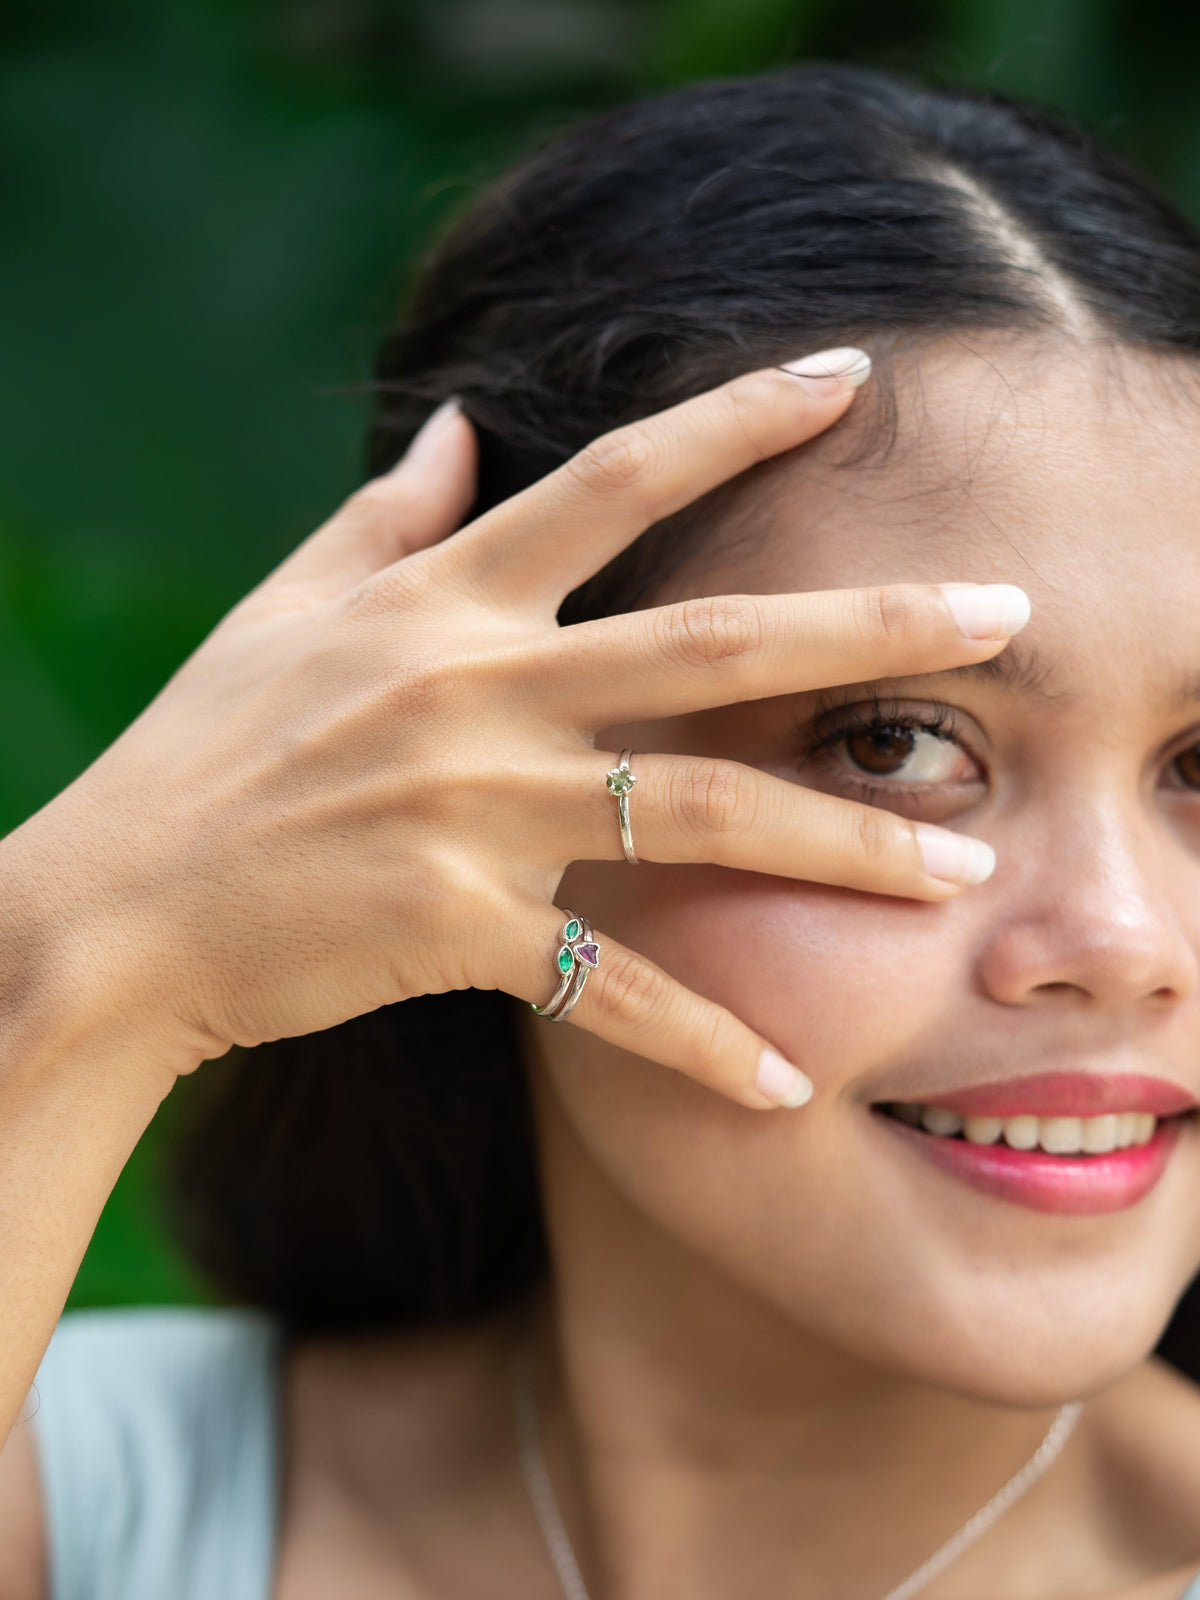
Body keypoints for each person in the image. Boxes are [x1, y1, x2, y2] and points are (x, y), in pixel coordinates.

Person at [3, 56, 1200, 1599]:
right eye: (897, 742)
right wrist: (81, 950)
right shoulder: (96, 1492)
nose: (1120, 942)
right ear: (447, 782)